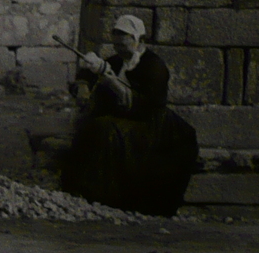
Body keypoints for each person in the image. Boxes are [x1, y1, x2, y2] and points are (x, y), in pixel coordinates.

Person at [61, 14, 198, 216]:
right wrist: (83, 85)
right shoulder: (118, 60)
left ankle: (114, 199)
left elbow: (145, 104)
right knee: (92, 126)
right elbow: (87, 78)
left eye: (123, 45)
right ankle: (84, 192)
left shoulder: (154, 65)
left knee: (105, 130)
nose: (118, 50)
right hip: (127, 119)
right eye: (115, 45)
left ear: (138, 41)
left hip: (152, 124)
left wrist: (110, 79)